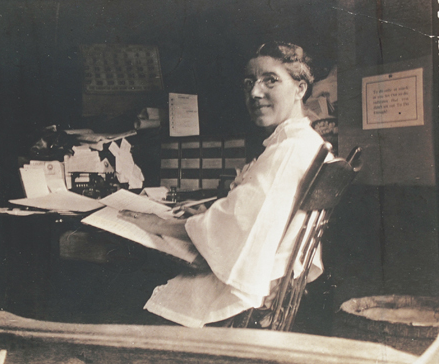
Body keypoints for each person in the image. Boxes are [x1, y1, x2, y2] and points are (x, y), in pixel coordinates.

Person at [119, 41, 326, 328]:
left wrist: (157, 223)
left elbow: (239, 227)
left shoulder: (290, 150)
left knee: (124, 283)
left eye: (270, 80)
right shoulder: (306, 143)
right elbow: (250, 216)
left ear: (300, 89)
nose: (255, 92)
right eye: (249, 82)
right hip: (264, 288)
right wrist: (214, 214)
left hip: (238, 301)